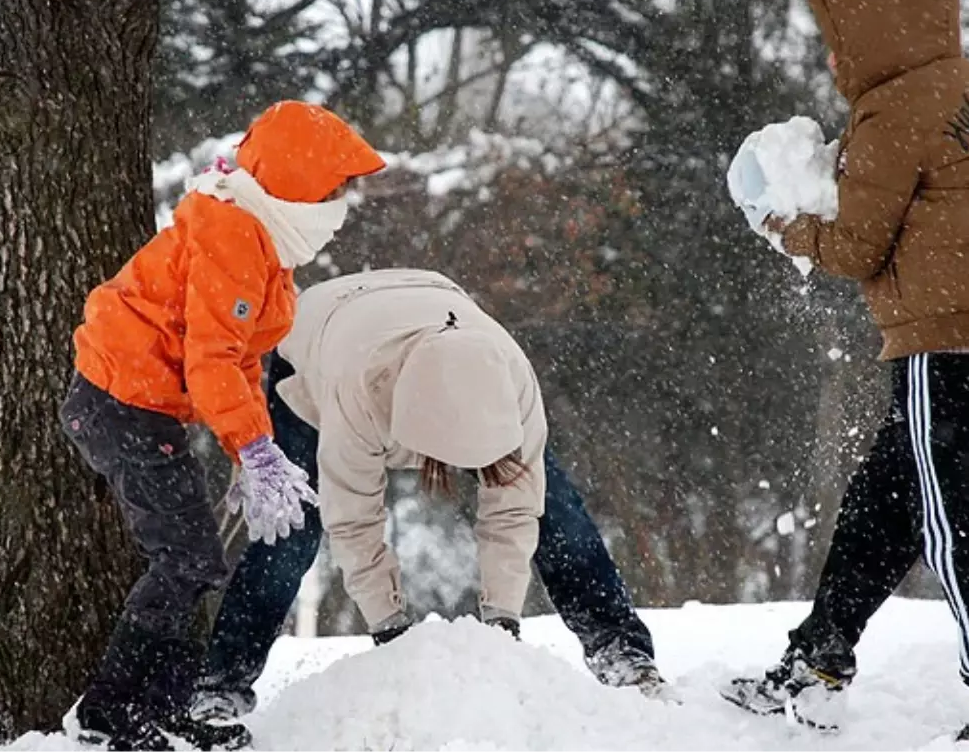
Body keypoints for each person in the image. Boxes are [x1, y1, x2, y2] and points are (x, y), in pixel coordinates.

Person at [721, 0, 969, 742]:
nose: (831, 52)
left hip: (947, 333)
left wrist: (783, 227)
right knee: (884, 501)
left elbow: (858, 246)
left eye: (836, 33)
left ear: (878, 26)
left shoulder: (895, 107)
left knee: (941, 509)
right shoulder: (958, 82)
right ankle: (817, 659)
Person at [189, 269, 668, 722]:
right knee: (294, 525)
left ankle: (619, 648)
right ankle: (220, 684)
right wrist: (389, 627)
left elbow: (516, 506)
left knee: (556, 511)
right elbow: (354, 519)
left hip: (430, 301)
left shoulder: (511, 381)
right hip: (318, 337)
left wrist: (502, 618)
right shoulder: (356, 386)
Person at [59, 101, 386, 751]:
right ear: (300, 185)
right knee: (187, 561)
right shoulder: (234, 233)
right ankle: (107, 714)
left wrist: (254, 451)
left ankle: (164, 708)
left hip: (142, 404)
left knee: (194, 563)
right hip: (122, 404)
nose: (343, 207)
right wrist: (253, 449)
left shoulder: (264, 238)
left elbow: (240, 359)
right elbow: (209, 360)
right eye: (337, 191)